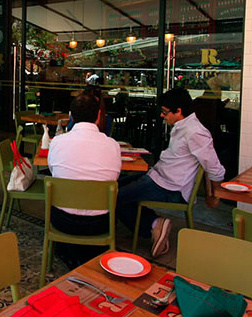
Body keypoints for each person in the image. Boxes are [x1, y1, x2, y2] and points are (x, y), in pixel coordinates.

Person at [116, 87, 225, 258]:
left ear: (179, 111)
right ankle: (153, 224)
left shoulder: (195, 132)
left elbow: (214, 166)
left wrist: (215, 194)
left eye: (165, 112)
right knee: (114, 186)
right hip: (159, 177)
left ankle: (153, 224)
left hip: (171, 188)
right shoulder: (183, 126)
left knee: (114, 196)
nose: (162, 116)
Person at [47, 92, 121, 269]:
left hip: (63, 221)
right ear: (98, 116)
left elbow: (54, 172)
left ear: (71, 116)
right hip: (100, 224)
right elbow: (115, 178)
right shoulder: (112, 145)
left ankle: (71, 253)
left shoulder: (57, 142)